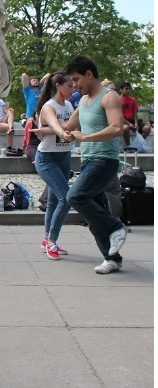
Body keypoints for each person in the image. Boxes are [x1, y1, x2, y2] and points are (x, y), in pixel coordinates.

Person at [61, 56, 127, 274]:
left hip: (104, 160)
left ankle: (116, 227)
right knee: (92, 215)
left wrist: (85, 138)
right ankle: (112, 258)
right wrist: (49, 126)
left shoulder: (109, 97)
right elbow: (69, 127)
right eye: (71, 83)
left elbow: (117, 128)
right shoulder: (83, 102)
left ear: (89, 74)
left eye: (76, 80)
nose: (74, 86)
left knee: (75, 197)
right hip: (89, 160)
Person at [30, 72, 75, 260]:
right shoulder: (50, 106)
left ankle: (47, 238)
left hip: (64, 156)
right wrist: (60, 131)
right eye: (70, 86)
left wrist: (46, 130)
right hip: (47, 159)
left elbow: (73, 125)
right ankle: (52, 241)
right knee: (66, 198)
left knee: (54, 201)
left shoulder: (70, 105)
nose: (73, 89)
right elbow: (59, 126)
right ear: (58, 86)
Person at [118, 82, 140, 147]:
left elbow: (135, 113)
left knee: (147, 128)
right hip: (123, 121)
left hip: (132, 120)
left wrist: (136, 123)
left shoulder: (132, 100)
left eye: (129, 89)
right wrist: (128, 123)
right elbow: (118, 115)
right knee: (126, 128)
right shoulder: (117, 100)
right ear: (121, 90)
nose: (128, 90)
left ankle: (137, 145)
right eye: (126, 89)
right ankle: (129, 146)